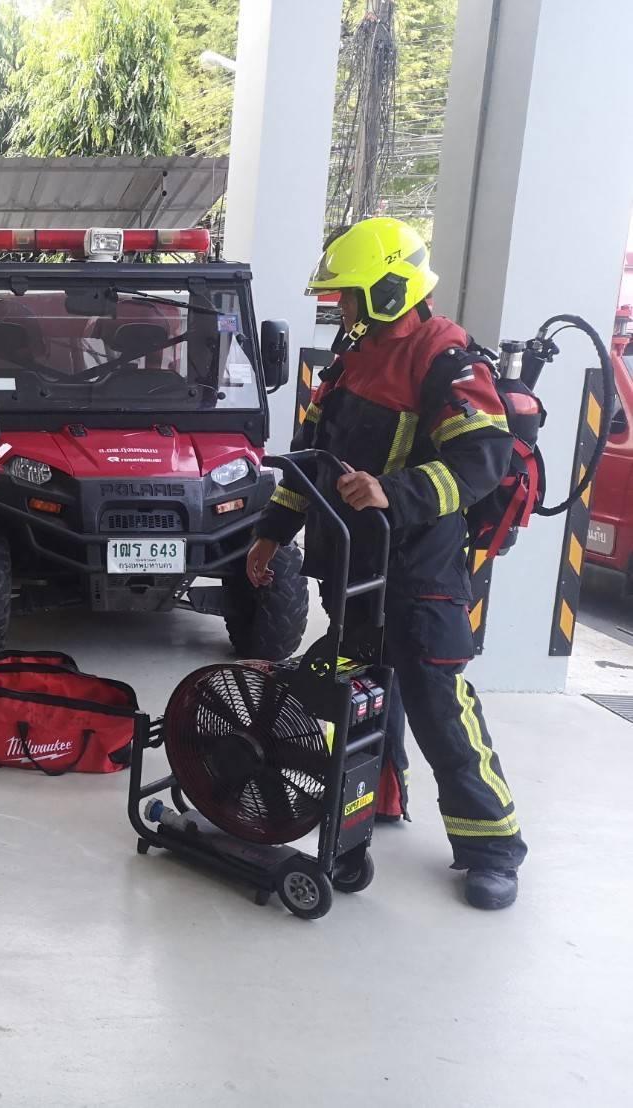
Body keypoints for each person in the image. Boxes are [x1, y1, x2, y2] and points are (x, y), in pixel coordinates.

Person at [247, 216, 526, 910]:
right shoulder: (351, 358)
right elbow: (309, 457)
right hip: (354, 564)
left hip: (420, 569)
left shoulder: (444, 357)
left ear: (387, 289)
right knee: (365, 687)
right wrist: (271, 534)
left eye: (347, 295)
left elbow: (482, 459)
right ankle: (380, 796)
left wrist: (392, 493)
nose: (339, 307)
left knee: (437, 701)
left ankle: (492, 847)